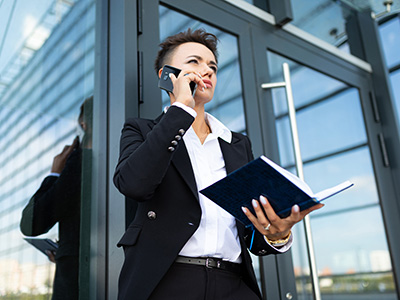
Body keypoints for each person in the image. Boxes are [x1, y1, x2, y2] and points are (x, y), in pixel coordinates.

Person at [113, 29, 323, 300]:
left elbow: (247, 225)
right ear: (167, 75)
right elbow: (134, 184)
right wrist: (180, 111)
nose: (207, 70)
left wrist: (276, 235)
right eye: (194, 62)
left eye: (212, 65)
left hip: (234, 283)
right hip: (166, 281)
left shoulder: (236, 144)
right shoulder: (141, 130)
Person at [20, 97, 92, 300]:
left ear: (83, 125)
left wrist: (54, 174)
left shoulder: (81, 162)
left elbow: (31, 223)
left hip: (78, 283)